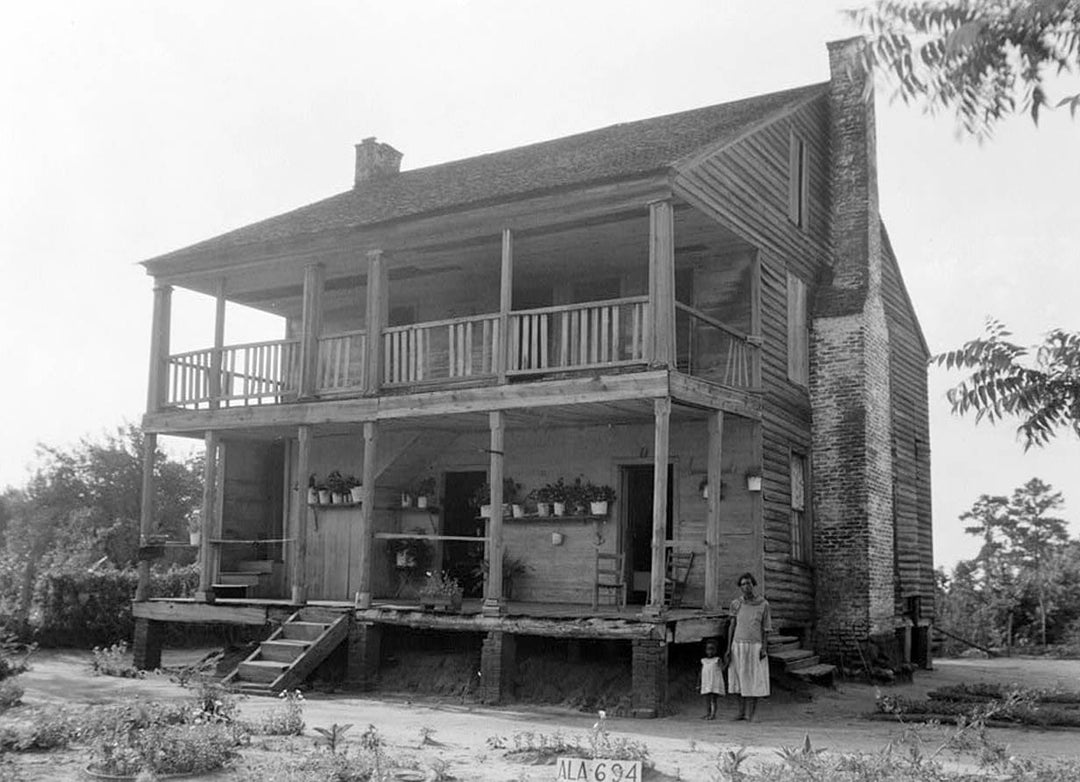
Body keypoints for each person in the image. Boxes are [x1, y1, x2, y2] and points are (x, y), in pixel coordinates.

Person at [724, 571, 771, 721]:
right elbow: (732, 625)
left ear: (754, 585)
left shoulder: (763, 604)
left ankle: (752, 713)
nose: (746, 586)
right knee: (738, 679)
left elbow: (766, 628)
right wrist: (728, 648)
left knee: (754, 679)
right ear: (740, 587)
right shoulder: (736, 604)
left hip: (755, 646)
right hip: (738, 645)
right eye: (743, 584)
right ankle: (741, 712)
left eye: (749, 583)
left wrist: (764, 647)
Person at [699, 637, 725, 719]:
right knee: (707, 699)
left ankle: (713, 714)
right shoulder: (703, 660)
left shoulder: (717, 660)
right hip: (706, 682)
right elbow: (701, 673)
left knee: (713, 699)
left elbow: (722, 668)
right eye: (708, 649)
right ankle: (708, 713)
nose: (710, 651)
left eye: (712, 649)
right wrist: (698, 683)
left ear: (716, 650)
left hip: (714, 682)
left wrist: (727, 661)